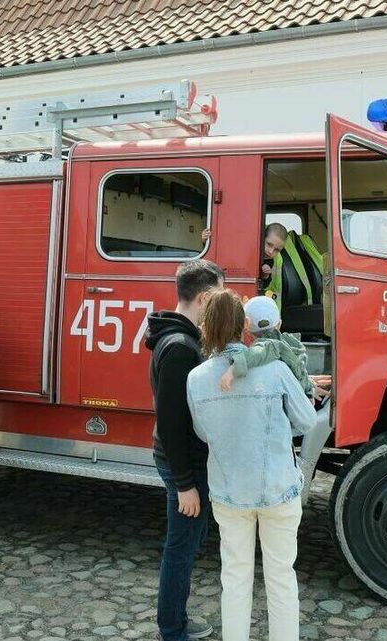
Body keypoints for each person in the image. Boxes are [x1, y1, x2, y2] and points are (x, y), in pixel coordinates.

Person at [186, 289, 317, 641]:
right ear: (243, 325)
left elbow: (202, 432)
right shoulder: (276, 369)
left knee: (234, 578)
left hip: (229, 491)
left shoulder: (196, 378)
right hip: (279, 489)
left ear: (205, 326)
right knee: (281, 577)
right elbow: (306, 421)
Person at [144, 259, 225, 641]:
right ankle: (172, 629)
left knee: (189, 540)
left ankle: (175, 619)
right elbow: (172, 421)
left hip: (187, 462)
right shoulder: (179, 347)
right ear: (205, 297)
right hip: (184, 464)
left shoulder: (183, 339)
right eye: (219, 296)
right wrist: (185, 484)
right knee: (180, 547)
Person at [219, 296, 329, 400]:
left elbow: (262, 350)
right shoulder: (290, 343)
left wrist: (233, 368)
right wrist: (309, 387)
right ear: (279, 324)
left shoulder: (272, 347)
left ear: (246, 328)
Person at [259, 222, 325, 311]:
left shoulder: (270, 261)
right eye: (269, 244)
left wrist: (265, 275)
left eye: (276, 250)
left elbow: (265, 283)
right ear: (262, 238)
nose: (271, 252)